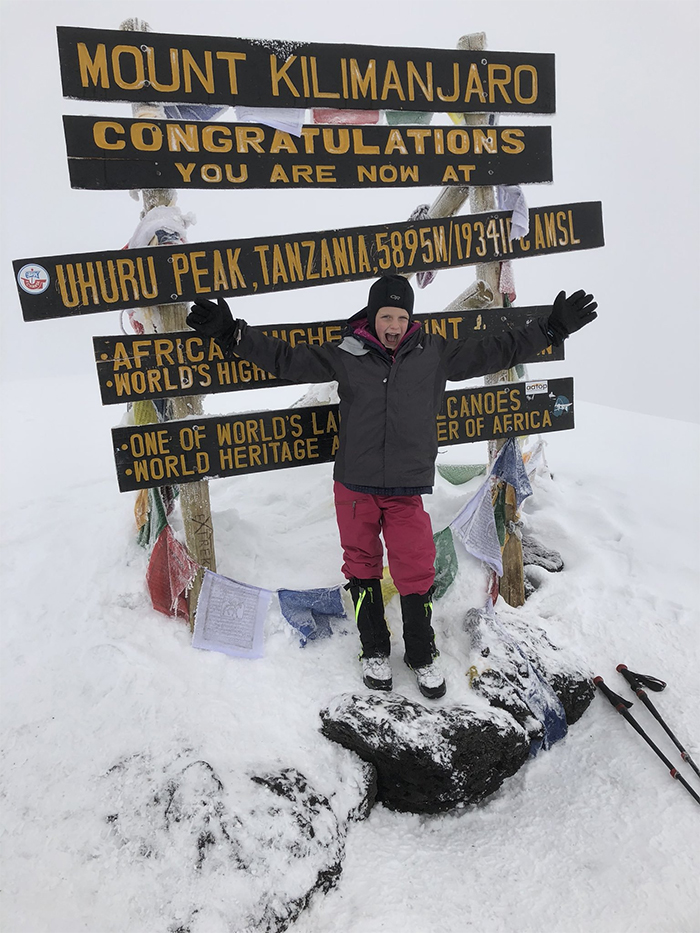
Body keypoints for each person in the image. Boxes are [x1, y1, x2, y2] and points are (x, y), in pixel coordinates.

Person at [186, 276, 597, 699]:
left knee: (415, 568)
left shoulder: (434, 352)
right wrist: (231, 333)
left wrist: (551, 329)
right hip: (355, 486)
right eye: (386, 316)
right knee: (361, 566)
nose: (394, 325)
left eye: (401, 316)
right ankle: (374, 650)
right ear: (372, 315)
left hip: (406, 487)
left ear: (410, 318)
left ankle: (421, 653)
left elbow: (494, 351)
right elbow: (287, 359)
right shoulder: (346, 353)